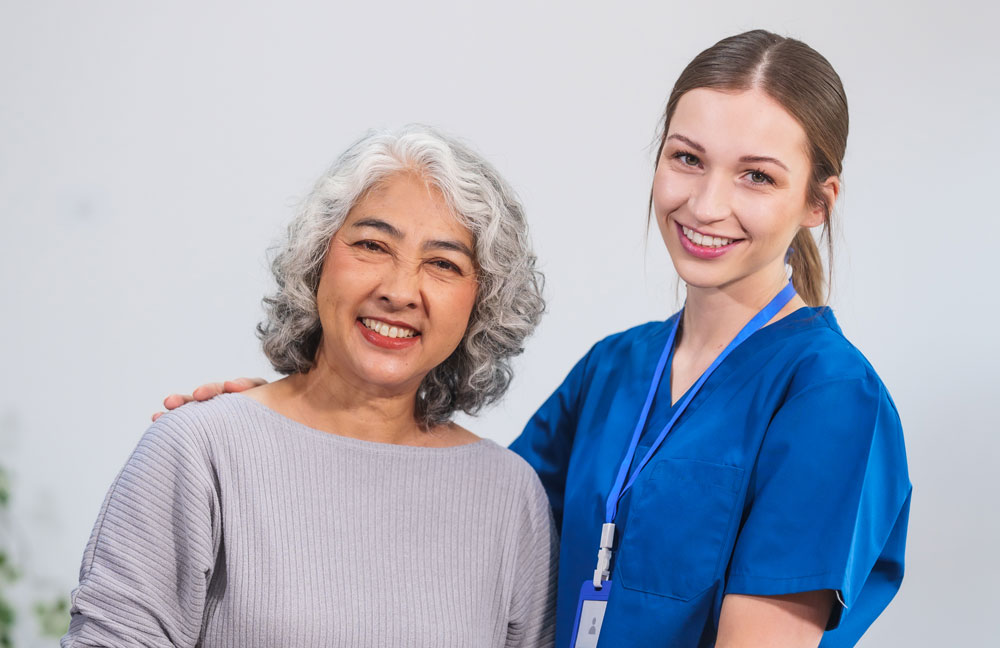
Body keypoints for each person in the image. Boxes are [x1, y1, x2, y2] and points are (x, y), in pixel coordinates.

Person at [163, 30, 911, 647]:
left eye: (756, 176)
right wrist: (294, 415)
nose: (707, 202)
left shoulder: (830, 399)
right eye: (687, 159)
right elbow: (455, 513)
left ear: (818, 201)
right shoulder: (617, 370)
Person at [63, 125, 558, 648]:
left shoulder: (511, 496)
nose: (398, 291)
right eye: (372, 245)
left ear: (482, 303)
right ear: (318, 258)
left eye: (442, 263)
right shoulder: (199, 451)